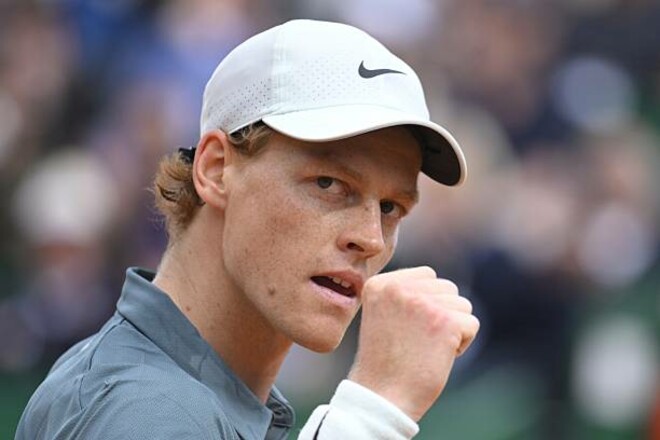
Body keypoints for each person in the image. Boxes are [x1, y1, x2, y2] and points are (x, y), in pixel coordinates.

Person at [16, 19, 479, 439]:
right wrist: (372, 415)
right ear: (216, 169)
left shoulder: (183, 395)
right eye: (328, 183)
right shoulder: (144, 409)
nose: (371, 239)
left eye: (391, 207)